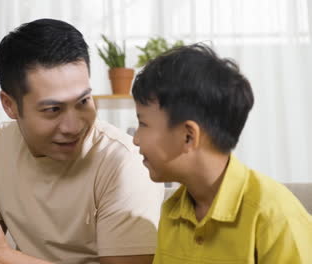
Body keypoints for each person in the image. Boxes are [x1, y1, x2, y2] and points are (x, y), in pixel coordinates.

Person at [0, 18, 165, 264]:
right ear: (10, 105)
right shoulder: (5, 143)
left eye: (83, 101)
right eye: (53, 110)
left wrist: (6, 258)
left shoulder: (125, 163)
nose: (73, 126)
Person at [131, 43, 312, 263]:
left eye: (143, 124)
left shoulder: (273, 214)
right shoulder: (172, 212)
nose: (136, 139)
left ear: (188, 136)